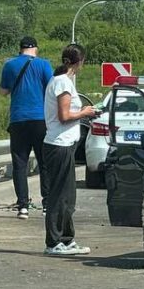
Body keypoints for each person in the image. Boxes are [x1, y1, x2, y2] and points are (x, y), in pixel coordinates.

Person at [41, 43, 99, 256]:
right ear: (80, 62)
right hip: (59, 145)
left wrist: (85, 113)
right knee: (59, 195)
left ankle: (66, 239)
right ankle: (54, 242)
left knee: (68, 195)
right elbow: (64, 116)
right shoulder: (62, 83)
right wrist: (84, 112)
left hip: (63, 144)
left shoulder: (61, 81)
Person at [0, 36, 54, 220]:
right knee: (44, 163)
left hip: (18, 120)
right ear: (35, 49)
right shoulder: (44, 65)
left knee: (19, 164)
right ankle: (47, 204)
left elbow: (3, 92)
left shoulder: (9, 65)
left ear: (20, 48)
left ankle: (23, 206)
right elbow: (51, 89)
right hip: (40, 119)